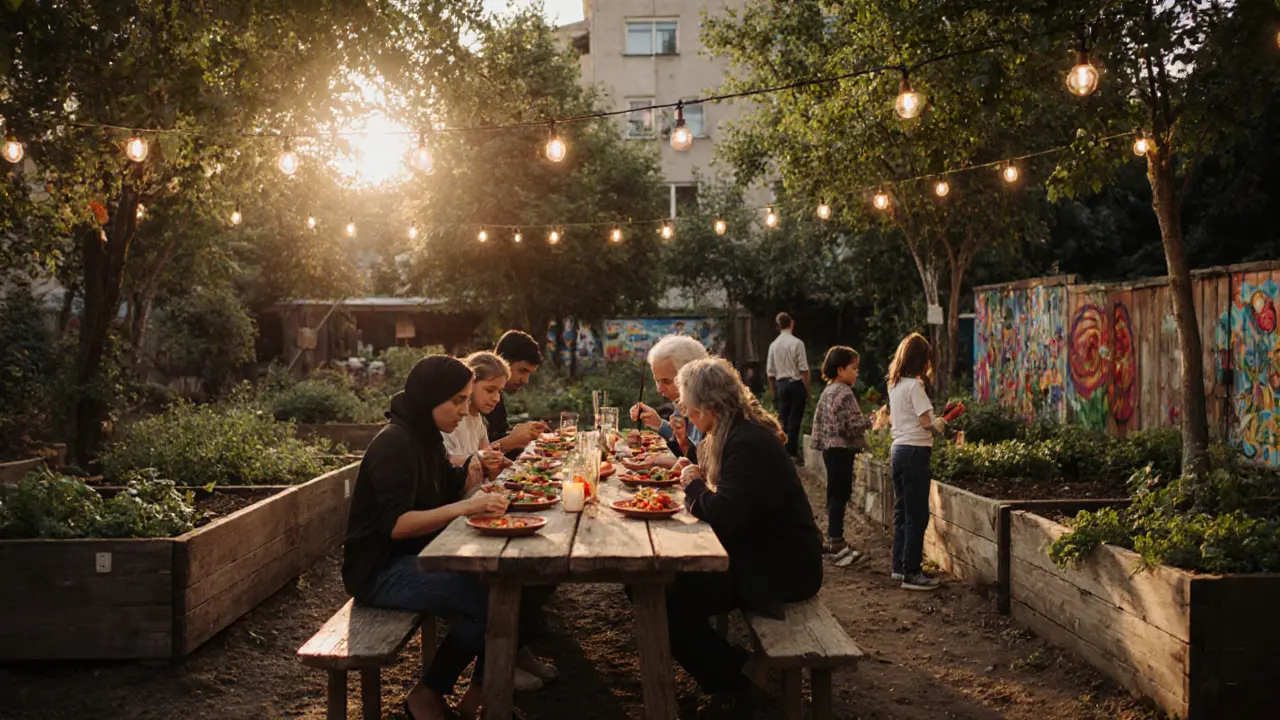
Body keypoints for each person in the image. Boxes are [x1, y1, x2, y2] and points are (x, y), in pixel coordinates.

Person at [341, 356, 553, 720]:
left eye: (464, 398)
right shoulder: (395, 443)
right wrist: (464, 509)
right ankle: (427, 696)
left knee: (507, 590)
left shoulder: (425, 437)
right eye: (456, 400)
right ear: (430, 397)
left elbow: (448, 488)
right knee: (488, 603)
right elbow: (398, 525)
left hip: (416, 554)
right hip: (378, 570)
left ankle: (476, 699)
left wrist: (478, 471)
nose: (463, 408)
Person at [658, 358, 823, 718]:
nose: (686, 414)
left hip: (782, 567)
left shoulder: (747, 442)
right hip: (759, 551)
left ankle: (738, 681)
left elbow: (723, 516)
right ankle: (732, 675)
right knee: (661, 591)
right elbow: (733, 503)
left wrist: (694, 483)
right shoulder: (736, 430)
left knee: (663, 601)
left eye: (690, 408)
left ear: (712, 407)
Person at [887, 333, 946, 592]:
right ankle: (913, 572)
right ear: (922, 360)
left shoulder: (896, 385)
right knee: (917, 515)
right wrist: (942, 423)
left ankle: (899, 566)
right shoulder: (915, 386)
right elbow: (926, 424)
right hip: (914, 453)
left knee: (901, 512)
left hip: (898, 451)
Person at [811, 346, 873, 554]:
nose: (857, 372)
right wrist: (871, 421)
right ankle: (836, 539)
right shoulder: (844, 393)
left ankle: (833, 535)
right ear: (840, 370)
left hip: (829, 450)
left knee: (834, 493)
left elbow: (819, 420)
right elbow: (849, 425)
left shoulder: (827, 392)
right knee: (841, 493)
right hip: (841, 450)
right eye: (854, 368)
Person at [629, 334, 709, 459]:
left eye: (666, 381)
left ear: (692, 376)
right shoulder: (682, 401)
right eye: (657, 381)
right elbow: (682, 448)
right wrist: (658, 423)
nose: (659, 389)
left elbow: (701, 463)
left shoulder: (710, 410)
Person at [486, 330, 550, 459]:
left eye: (529, 374)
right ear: (503, 362)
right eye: (522, 371)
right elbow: (471, 458)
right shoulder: (475, 401)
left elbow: (495, 442)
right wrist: (511, 440)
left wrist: (523, 434)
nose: (525, 380)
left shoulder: (498, 399)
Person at [766, 312, 810, 464]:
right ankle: (791, 451)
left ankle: (782, 451)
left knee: (782, 419)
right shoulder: (797, 343)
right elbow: (804, 369)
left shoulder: (773, 345)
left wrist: (773, 393)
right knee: (795, 419)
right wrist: (808, 390)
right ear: (791, 323)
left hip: (781, 384)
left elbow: (770, 372)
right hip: (795, 383)